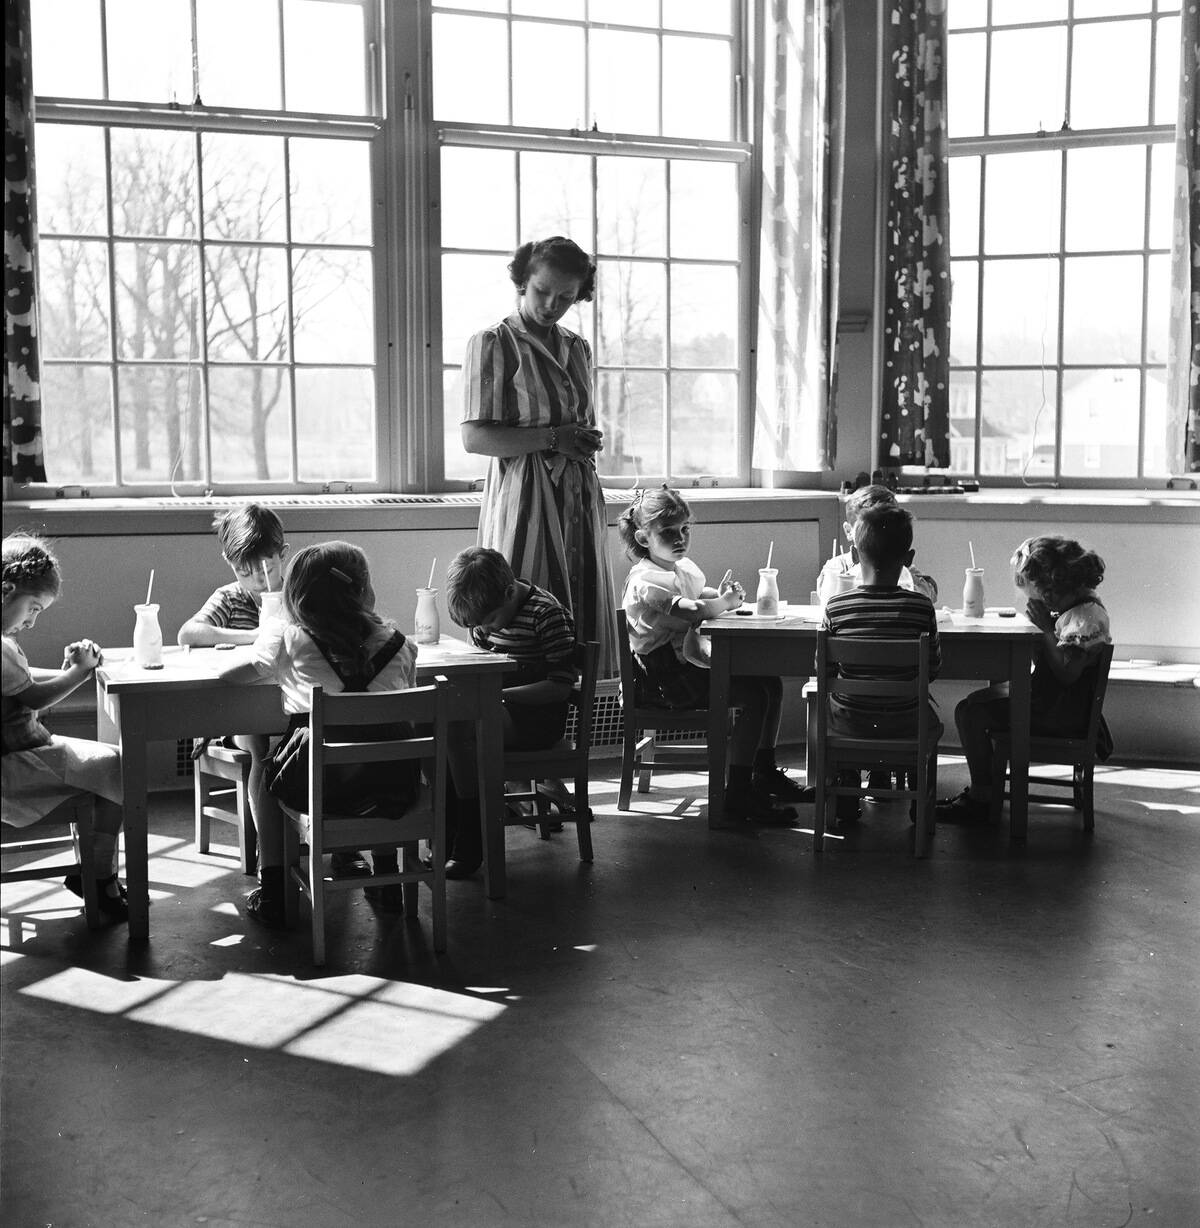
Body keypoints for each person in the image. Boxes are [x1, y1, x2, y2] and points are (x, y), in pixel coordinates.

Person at [216, 541, 419, 927]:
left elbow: (231, 675)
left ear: (297, 595)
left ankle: (274, 888)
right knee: (384, 748)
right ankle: (388, 878)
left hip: (320, 786)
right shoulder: (402, 646)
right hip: (393, 786)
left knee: (267, 775)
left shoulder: (291, 641)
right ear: (363, 591)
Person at [461, 235, 619, 679]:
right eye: (542, 292)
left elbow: (572, 426)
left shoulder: (577, 348)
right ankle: (517, 725)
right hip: (526, 495)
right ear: (521, 282)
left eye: (566, 297)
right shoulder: (493, 342)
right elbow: (476, 438)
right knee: (523, 610)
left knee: (581, 609)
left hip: (578, 495)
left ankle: (583, 731)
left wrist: (581, 440)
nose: (552, 304)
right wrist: (554, 438)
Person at [619, 486, 806, 829]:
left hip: (681, 668)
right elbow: (691, 610)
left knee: (769, 683)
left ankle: (762, 772)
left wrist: (721, 596)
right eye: (669, 532)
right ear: (644, 538)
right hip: (661, 680)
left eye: (685, 529)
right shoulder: (646, 579)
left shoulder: (678, 568)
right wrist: (721, 605)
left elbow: (699, 595)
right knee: (753, 697)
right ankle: (736, 792)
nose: (680, 538)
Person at [937, 535, 1112, 824]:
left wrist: (1044, 631)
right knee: (973, 704)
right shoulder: (1075, 610)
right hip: (1055, 702)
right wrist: (1041, 638)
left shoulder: (1085, 618)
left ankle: (982, 796)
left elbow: (1067, 674)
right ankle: (986, 789)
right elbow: (1052, 663)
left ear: (1054, 589)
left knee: (970, 713)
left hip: (1061, 712)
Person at [2, 534, 128, 922]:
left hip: (19, 755)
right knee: (118, 766)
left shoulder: (4, 642)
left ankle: (92, 868)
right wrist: (79, 672)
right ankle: (99, 874)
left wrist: (70, 669)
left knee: (101, 765)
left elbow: (21, 681)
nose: (32, 620)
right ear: (6, 590)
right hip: (15, 764)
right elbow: (35, 698)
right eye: (33, 608)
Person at [442, 546, 579, 878]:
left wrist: (499, 696)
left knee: (459, 732)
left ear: (508, 592)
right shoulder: (487, 613)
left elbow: (560, 687)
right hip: (498, 707)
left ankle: (470, 836)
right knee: (440, 724)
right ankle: (451, 832)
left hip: (538, 717)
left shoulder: (547, 615)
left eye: (488, 622)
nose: (484, 631)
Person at [178, 503, 290, 871]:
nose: (259, 579)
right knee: (261, 744)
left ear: (282, 555)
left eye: (268, 567)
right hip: (241, 717)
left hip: (293, 708)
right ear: (230, 563)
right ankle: (270, 856)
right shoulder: (231, 598)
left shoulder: (297, 594)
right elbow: (189, 633)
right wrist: (255, 636)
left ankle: (337, 844)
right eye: (246, 571)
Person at [820, 505, 944, 822]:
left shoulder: (836, 607)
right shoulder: (920, 606)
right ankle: (920, 805)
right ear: (909, 558)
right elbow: (932, 669)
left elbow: (825, 671)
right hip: (906, 723)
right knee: (927, 719)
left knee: (840, 705)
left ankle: (845, 798)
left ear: (854, 552)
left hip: (850, 722)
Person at [816, 484, 938, 605]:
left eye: (889, 528)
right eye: (868, 529)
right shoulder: (838, 567)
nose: (881, 535)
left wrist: (905, 574)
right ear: (849, 531)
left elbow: (929, 594)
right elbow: (827, 599)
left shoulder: (900, 566)